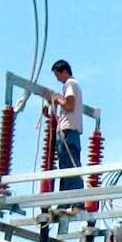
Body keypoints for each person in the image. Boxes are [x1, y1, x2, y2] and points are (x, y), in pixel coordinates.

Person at [49, 60, 83, 192]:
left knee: (68, 168)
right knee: (68, 167)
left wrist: (57, 99)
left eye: (57, 75)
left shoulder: (70, 84)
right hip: (71, 131)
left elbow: (69, 105)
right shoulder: (76, 86)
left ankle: (72, 202)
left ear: (64, 72)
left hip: (67, 132)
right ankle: (69, 202)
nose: (57, 79)